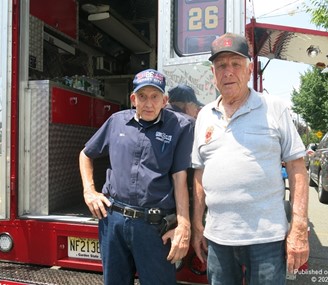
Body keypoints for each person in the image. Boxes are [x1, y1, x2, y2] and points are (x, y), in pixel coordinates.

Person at [191, 33, 309, 285]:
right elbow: (199, 174)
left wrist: (299, 228)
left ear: (249, 69)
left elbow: (297, 167)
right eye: (221, 66)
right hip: (218, 239)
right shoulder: (204, 116)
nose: (228, 72)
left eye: (235, 64)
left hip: (266, 240)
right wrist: (198, 226)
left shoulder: (274, 108)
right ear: (213, 73)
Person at [79, 69, 193, 285]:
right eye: (142, 96)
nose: (148, 103)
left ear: (164, 100)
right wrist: (89, 191)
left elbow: (180, 179)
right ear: (133, 99)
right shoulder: (116, 122)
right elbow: (85, 154)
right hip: (113, 221)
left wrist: (183, 225)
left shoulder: (180, 127)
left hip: (153, 227)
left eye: (154, 97)